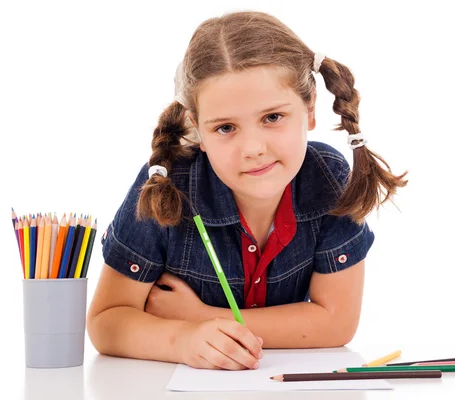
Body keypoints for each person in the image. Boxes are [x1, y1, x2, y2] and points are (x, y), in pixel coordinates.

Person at [87, 10, 408, 371]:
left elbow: (336, 322)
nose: (253, 148)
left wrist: (204, 316)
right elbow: (106, 322)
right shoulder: (166, 185)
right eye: (225, 127)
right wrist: (182, 340)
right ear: (198, 129)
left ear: (310, 109)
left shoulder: (329, 180)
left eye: (272, 118)